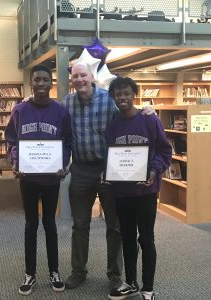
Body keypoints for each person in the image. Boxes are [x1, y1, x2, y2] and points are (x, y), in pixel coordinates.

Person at [61, 62, 155, 292]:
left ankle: (115, 274)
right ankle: (78, 271)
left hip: (109, 171)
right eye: (76, 76)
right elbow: (54, 122)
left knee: (114, 226)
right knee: (79, 225)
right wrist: (24, 103)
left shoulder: (109, 100)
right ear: (71, 79)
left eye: (84, 75)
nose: (80, 79)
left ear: (91, 77)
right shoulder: (66, 104)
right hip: (81, 169)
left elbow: (128, 112)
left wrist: (147, 109)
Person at [5, 64, 72, 296]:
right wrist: (15, 162)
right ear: (31, 83)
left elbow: (67, 141)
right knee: (31, 225)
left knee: (50, 225)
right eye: (37, 80)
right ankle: (30, 274)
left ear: (51, 83)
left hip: (51, 179)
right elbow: (11, 139)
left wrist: (63, 164)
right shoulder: (20, 110)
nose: (41, 84)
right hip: (28, 178)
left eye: (45, 80)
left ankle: (54, 271)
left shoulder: (61, 111)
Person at [105, 77, 172, 300]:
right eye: (117, 94)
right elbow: (111, 154)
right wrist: (108, 171)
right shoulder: (113, 123)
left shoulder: (150, 120)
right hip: (122, 192)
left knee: (146, 238)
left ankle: (148, 287)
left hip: (146, 192)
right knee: (127, 237)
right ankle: (131, 282)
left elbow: (164, 151)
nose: (122, 98)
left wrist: (153, 171)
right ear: (113, 97)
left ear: (134, 94)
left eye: (126, 93)